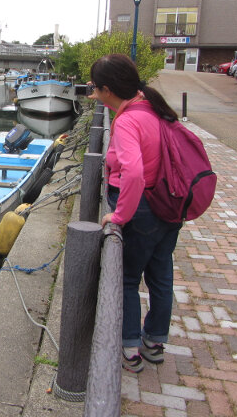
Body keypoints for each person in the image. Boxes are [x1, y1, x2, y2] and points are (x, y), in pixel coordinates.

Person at [88, 54, 182, 373]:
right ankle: (154, 342)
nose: (94, 96)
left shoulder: (128, 120)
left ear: (107, 90)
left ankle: (129, 348)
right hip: (169, 204)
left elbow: (135, 173)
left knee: (128, 279)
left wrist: (119, 216)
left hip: (142, 209)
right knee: (160, 274)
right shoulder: (152, 107)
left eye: (96, 90)